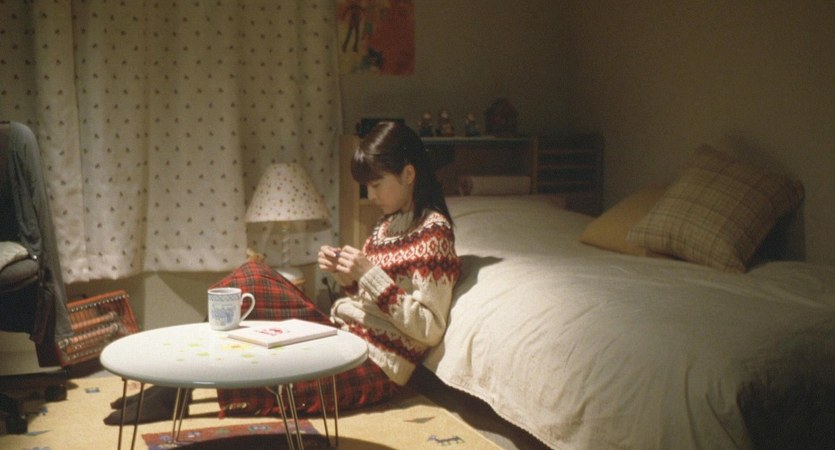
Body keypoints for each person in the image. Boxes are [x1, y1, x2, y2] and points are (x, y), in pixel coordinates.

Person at [104, 121, 461, 423]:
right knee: (251, 278)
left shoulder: (435, 235)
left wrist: (367, 273)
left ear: (408, 174)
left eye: (377, 184)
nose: (370, 194)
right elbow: (369, 300)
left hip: (377, 366)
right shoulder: (385, 226)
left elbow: (428, 329)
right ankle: (172, 388)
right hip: (345, 336)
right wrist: (346, 276)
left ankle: (173, 391)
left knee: (261, 324)